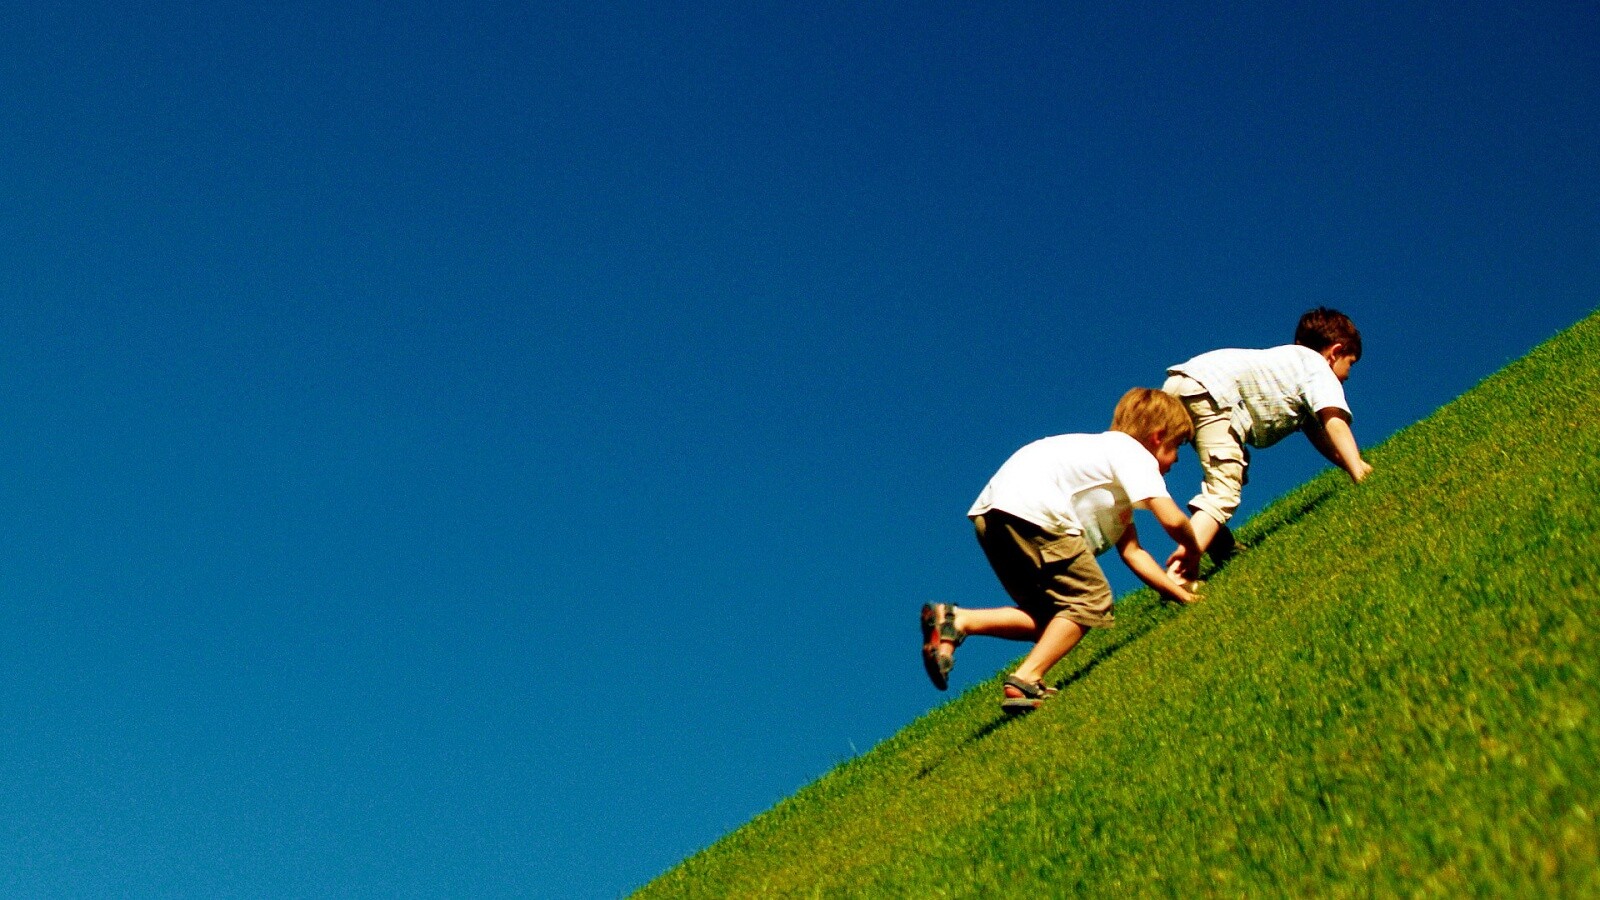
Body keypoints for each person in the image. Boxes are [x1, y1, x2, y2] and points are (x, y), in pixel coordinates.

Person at [921, 388, 1203, 714]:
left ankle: (957, 621)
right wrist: (1193, 550)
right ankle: (1026, 679)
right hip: (1036, 510)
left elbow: (1133, 553)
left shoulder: (1102, 467)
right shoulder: (1133, 454)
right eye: (1177, 446)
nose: (1177, 459)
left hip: (994, 516)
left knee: (1054, 620)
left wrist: (1180, 595)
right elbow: (1172, 520)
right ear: (1157, 437)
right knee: (1091, 600)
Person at [1160, 307, 1373, 577]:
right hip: (1212, 391)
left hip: (1183, 383)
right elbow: (1334, 422)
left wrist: (1353, 462)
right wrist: (1358, 473)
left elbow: (1320, 434)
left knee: (1236, 465)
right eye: (1349, 364)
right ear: (1335, 352)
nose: (1346, 376)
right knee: (1224, 489)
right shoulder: (1318, 367)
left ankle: (1219, 541)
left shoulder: (1292, 364)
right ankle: (1179, 574)